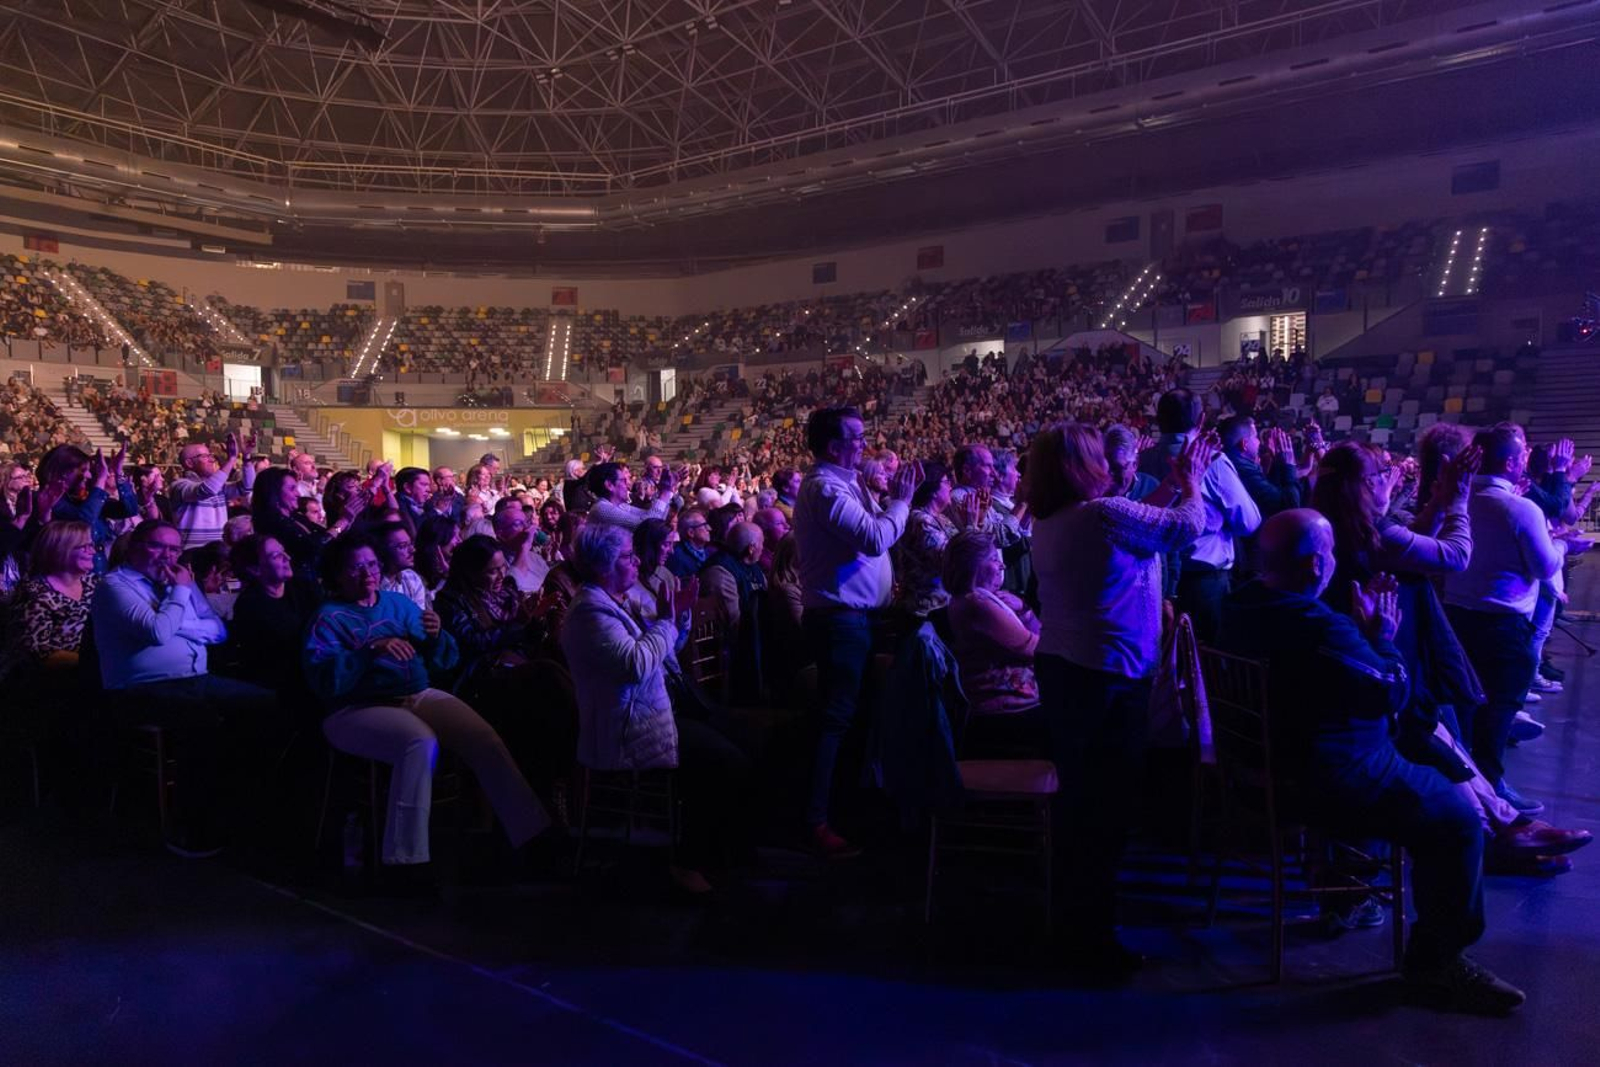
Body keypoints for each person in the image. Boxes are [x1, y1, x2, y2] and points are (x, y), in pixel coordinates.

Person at [1220, 510, 1526, 1015]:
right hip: (1331, 777)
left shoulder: (1237, 607)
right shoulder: (1320, 629)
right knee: (1456, 818)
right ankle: (1437, 962)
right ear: (1317, 564)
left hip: (1261, 768)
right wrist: (1381, 635)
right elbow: (1392, 691)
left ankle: (1353, 888)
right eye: (1330, 552)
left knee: (1423, 754)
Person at [1026, 422, 1210, 975]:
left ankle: (1072, 927)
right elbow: (1185, 528)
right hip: (1104, 678)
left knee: (1082, 807)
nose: (1108, 463)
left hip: (1070, 670)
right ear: (1079, 465)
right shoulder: (1102, 516)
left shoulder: (1056, 518)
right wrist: (1193, 482)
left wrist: (1169, 485)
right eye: (1098, 455)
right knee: (1104, 813)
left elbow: (1139, 519)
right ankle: (1092, 945)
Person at [303, 534, 551, 876]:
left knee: (483, 737)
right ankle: (406, 861)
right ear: (337, 574)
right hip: (356, 707)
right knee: (419, 742)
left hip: (415, 693)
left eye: (372, 564)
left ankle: (531, 835)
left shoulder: (397, 604)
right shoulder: (328, 618)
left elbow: (444, 660)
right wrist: (370, 651)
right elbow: (324, 680)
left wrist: (436, 636)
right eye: (356, 567)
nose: (368, 573)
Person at [558, 524, 750, 894]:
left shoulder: (619, 600)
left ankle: (730, 852)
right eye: (627, 557)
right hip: (630, 727)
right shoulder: (589, 613)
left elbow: (664, 651)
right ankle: (689, 860)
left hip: (658, 710)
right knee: (723, 761)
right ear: (603, 565)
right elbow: (636, 665)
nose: (636, 562)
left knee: (744, 736)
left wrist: (678, 616)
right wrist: (665, 620)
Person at [90, 520, 282, 854]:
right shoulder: (115, 586)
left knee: (267, 704)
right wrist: (180, 595)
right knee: (202, 720)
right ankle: (191, 826)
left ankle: (246, 807)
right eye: (157, 546)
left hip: (196, 679)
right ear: (134, 547)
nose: (167, 555)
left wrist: (176, 619)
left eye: (174, 548)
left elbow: (218, 631)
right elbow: (157, 633)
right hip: (138, 689)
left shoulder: (177, 581)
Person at [793, 406, 918, 858]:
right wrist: (901, 501)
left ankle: (845, 808)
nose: (866, 445)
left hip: (859, 620)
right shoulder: (825, 488)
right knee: (835, 720)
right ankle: (815, 822)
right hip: (840, 621)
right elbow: (874, 538)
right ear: (833, 446)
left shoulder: (849, 482)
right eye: (858, 438)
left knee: (854, 719)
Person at [1442, 424, 1573, 814]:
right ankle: (1491, 790)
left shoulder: (1457, 498)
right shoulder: (1520, 508)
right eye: (1523, 454)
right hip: (1502, 625)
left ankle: (1465, 788)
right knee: (1498, 710)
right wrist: (1562, 545)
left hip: (1455, 619)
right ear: (1512, 463)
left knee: (1465, 709)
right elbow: (1544, 566)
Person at [1143, 390, 1261, 638]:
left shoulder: (1141, 460)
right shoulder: (1213, 461)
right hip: (1203, 585)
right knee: (1204, 658)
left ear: (1158, 420)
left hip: (1152, 582)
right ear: (1201, 420)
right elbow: (1249, 521)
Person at [943, 529, 1044, 753]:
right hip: (1007, 711)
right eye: (993, 559)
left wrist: (1023, 608)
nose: (1002, 565)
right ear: (973, 565)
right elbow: (1036, 650)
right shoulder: (978, 604)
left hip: (1004, 706)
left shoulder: (974, 599)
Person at [227, 534, 322, 709]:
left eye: (284, 551)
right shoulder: (250, 605)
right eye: (276, 556)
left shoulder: (303, 587)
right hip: (286, 682)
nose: (288, 558)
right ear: (255, 569)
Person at [892, 467, 959, 618]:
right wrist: (970, 526)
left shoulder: (942, 518)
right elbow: (950, 558)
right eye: (947, 482)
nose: (951, 486)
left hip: (940, 606)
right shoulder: (921, 520)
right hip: (924, 609)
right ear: (933, 490)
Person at [169, 434, 254, 550]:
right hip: (191, 553)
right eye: (205, 456)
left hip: (217, 552)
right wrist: (231, 460)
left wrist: (247, 457)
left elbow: (247, 487)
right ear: (189, 463)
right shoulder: (180, 485)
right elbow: (206, 490)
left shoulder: (220, 487)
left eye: (210, 455)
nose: (212, 460)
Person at [252, 467, 333, 583]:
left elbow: (323, 536)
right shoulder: (273, 524)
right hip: (293, 585)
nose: (298, 494)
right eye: (292, 489)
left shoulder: (295, 517)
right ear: (274, 492)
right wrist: (342, 522)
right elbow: (311, 547)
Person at [587, 461, 673, 529]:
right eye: (623, 481)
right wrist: (665, 493)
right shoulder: (601, 509)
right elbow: (647, 526)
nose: (628, 485)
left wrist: (668, 489)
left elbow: (658, 520)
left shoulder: (622, 506)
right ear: (609, 485)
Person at [493, 501, 550, 594]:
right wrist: (525, 547)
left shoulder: (534, 557)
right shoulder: (497, 564)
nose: (526, 528)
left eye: (526, 522)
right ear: (501, 535)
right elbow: (508, 590)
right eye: (518, 524)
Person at [376, 521, 429, 611]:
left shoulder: (412, 578)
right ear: (384, 550)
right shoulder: (372, 583)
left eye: (410, 544)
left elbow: (419, 617)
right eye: (403, 546)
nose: (413, 550)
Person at [667, 505, 714, 578]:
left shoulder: (709, 553)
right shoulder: (678, 558)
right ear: (691, 532)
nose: (709, 529)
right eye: (704, 525)